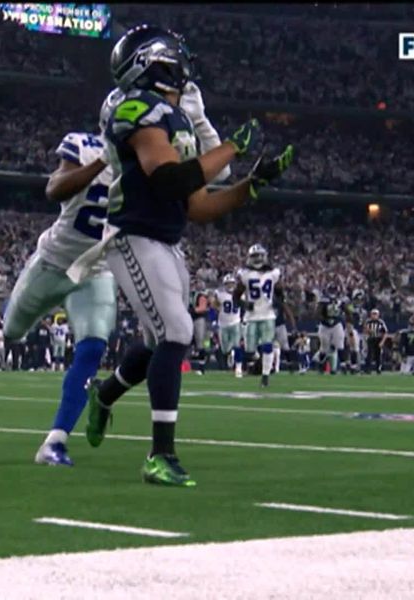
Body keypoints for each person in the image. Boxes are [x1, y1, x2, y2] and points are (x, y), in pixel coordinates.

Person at [78, 24, 294, 486]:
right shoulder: (133, 107)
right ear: (154, 63)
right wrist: (232, 147)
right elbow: (169, 181)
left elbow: (197, 205)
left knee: (163, 340)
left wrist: (254, 183)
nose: (182, 66)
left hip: (166, 238)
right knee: (175, 329)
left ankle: (105, 394)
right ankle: (160, 456)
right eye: (174, 58)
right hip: (132, 233)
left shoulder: (172, 119)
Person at [2, 102, 119, 466]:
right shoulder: (84, 145)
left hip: (96, 271)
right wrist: (104, 161)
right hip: (53, 263)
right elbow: (54, 189)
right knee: (11, 332)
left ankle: (55, 441)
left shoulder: (149, 162)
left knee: (92, 348)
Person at [235, 244, 283, 387]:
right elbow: (236, 296)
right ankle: (261, 363)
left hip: (268, 314)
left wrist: (278, 302)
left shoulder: (273, 273)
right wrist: (245, 305)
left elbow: (280, 291)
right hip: (251, 315)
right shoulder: (245, 273)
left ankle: (265, 375)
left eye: (259, 256)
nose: (258, 259)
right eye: (255, 256)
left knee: (267, 345)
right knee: (250, 349)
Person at [211, 274, 243, 377]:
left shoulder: (240, 294)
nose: (230, 286)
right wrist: (216, 306)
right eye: (228, 284)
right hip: (223, 324)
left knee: (237, 345)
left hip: (235, 322)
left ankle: (238, 368)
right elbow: (213, 303)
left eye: (232, 283)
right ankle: (230, 353)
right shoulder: (220, 294)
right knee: (224, 349)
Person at [363, 308, 389, 374]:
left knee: (378, 355)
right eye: (373, 314)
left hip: (378, 339)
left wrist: (382, 341)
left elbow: (385, 332)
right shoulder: (368, 322)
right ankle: (368, 369)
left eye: (375, 314)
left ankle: (378, 369)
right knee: (369, 354)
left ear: (378, 315)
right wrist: (367, 332)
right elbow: (364, 330)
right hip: (371, 339)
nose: (374, 316)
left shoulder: (381, 322)